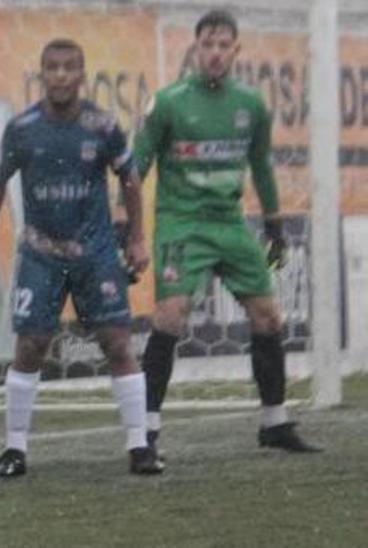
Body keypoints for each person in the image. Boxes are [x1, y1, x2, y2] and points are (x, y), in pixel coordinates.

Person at [133, 10, 320, 455]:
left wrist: (274, 224)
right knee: (170, 316)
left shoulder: (250, 105)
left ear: (236, 51)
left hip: (231, 225)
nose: (215, 54)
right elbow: (136, 166)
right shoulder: (168, 102)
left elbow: (261, 165)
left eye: (223, 46)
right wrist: (128, 225)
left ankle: (275, 423)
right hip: (182, 225)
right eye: (207, 45)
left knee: (268, 316)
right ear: (195, 48)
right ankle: (146, 429)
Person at [0, 39, 163, 477]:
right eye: (52, 68)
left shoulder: (102, 126)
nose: (59, 75)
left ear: (82, 75)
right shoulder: (23, 128)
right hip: (40, 253)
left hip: (95, 252)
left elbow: (131, 180)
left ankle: (139, 446)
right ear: (42, 74)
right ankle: (14, 450)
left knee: (117, 342)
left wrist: (136, 239)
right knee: (31, 345)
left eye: (68, 68)